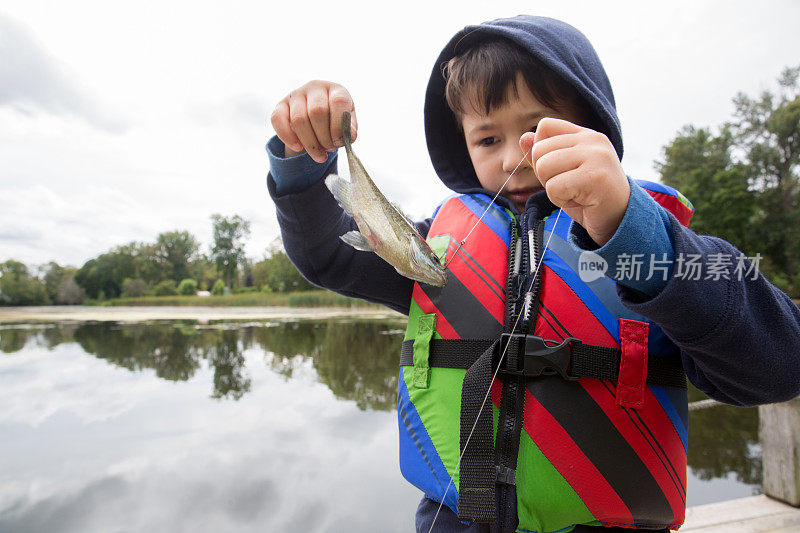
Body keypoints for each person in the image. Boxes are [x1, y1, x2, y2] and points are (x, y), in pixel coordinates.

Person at [267, 15, 800, 533]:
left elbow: (778, 367)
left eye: (536, 131)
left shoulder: (651, 245)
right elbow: (325, 254)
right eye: (487, 140)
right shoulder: (438, 249)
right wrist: (300, 161)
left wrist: (637, 235)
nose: (512, 161)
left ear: (593, 129)